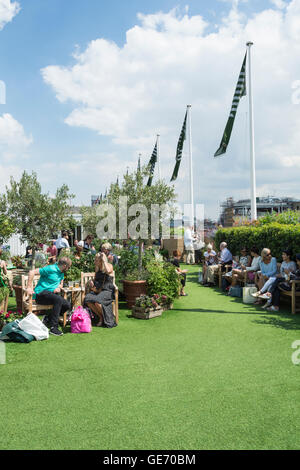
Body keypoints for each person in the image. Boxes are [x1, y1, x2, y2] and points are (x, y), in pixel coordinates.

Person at [26, 257, 72, 336]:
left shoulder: (61, 273)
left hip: (51, 296)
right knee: (58, 300)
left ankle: (48, 318)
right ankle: (53, 327)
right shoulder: (50, 268)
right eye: (68, 267)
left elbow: (60, 284)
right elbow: (32, 272)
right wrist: (29, 287)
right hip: (40, 294)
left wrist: (59, 287)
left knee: (67, 305)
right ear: (64, 266)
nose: (68, 269)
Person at [84, 252, 117, 328]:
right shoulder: (97, 268)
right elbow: (97, 279)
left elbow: (108, 271)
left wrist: (104, 261)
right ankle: (101, 317)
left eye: (97, 259)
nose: (95, 261)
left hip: (108, 290)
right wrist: (92, 282)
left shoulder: (109, 266)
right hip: (99, 291)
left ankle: (105, 319)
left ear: (101, 260)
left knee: (97, 302)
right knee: (87, 299)